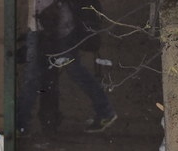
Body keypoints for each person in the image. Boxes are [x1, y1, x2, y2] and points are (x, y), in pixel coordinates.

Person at [16, 0, 116, 135]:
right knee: (41, 75)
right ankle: (105, 111)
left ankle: (21, 124)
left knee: (36, 76)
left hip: (56, 26)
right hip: (47, 25)